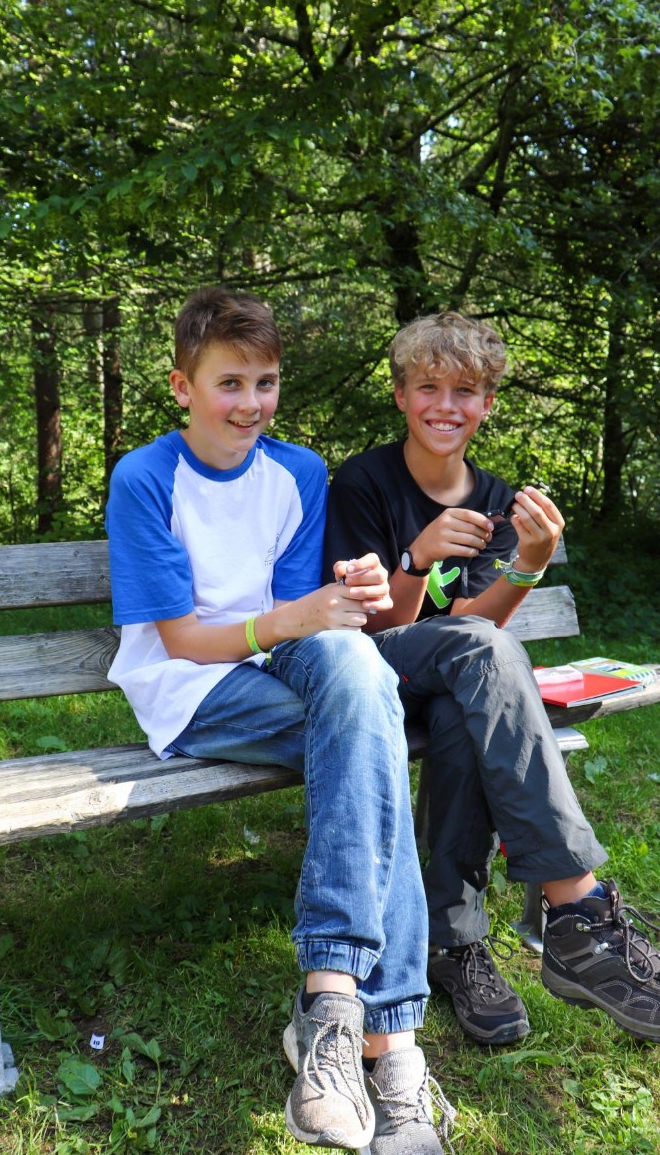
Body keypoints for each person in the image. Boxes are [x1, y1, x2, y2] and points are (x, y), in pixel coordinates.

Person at [105, 287, 455, 1155]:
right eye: (229, 383)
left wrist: (348, 595)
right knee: (371, 726)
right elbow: (182, 639)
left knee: (358, 674)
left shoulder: (296, 471)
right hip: (192, 687)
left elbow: (310, 616)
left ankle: (330, 1006)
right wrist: (294, 621)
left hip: (282, 665)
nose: (250, 404)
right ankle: (394, 1047)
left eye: (264, 383)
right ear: (182, 385)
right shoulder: (146, 478)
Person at [324, 310, 660, 1048]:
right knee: (473, 662)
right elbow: (365, 630)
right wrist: (415, 558)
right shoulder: (363, 482)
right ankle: (576, 910)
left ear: (488, 403)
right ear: (401, 395)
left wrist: (527, 564)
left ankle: (453, 944)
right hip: (365, 674)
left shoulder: (495, 497)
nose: (446, 405)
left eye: (465, 391)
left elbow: (475, 622)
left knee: (459, 716)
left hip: (451, 675)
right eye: (428, 387)